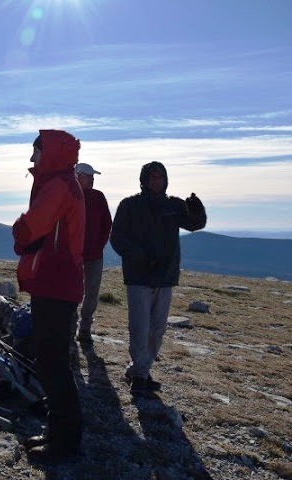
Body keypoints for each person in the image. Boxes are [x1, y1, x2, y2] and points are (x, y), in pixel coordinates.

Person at [12, 130, 85, 462]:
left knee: (53, 363)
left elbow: (30, 228)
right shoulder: (64, 182)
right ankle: (58, 432)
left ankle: (64, 443)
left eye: (36, 152)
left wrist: (18, 231)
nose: (32, 158)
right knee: (53, 360)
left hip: (56, 283)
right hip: (56, 283)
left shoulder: (58, 186)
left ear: (51, 153)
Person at [110, 161, 206, 396]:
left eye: (160, 177)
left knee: (157, 328)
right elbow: (117, 237)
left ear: (166, 180)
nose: (156, 181)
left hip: (164, 275)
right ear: (144, 180)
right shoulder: (129, 205)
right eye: (152, 177)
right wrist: (139, 257)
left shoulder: (174, 205)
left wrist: (197, 210)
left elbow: (195, 224)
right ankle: (140, 375)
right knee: (140, 327)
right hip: (139, 276)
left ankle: (140, 370)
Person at [73, 162, 112, 344]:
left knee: (91, 294)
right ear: (78, 176)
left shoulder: (98, 197)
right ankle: (70, 327)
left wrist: (99, 245)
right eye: (89, 176)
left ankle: (85, 330)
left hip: (94, 255)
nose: (92, 179)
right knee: (72, 292)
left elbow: (107, 223)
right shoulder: (70, 195)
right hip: (73, 256)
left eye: (92, 176)